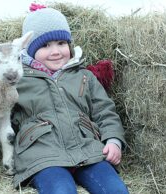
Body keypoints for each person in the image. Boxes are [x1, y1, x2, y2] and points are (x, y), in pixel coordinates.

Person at [11, 3, 129, 194]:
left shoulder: (84, 76)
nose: (56, 51)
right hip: (43, 156)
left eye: (61, 43)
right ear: (31, 50)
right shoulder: (19, 80)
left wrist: (113, 140)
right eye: (45, 45)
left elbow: (105, 111)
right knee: (60, 191)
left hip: (88, 151)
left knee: (116, 190)